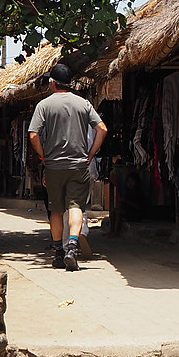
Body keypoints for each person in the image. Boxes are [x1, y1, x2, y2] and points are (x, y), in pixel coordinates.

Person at [29, 63, 107, 271]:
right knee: (76, 206)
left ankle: (58, 253)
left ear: (52, 82)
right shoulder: (83, 104)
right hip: (79, 165)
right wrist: (90, 154)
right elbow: (102, 129)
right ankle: (72, 246)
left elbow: (33, 135)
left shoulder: (44, 105)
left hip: (54, 165)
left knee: (56, 209)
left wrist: (43, 157)